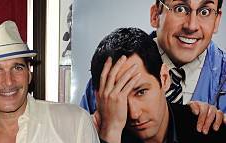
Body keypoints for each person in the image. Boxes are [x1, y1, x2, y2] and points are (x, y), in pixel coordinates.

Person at [91, 27, 225, 143]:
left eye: (141, 92)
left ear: (164, 78)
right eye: (118, 99)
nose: (134, 114)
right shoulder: (89, 141)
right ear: (100, 99)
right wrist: (109, 136)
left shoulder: (208, 128)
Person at [81, 0, 226, 130]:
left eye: (205, 11)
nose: (192, 26)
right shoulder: (110, 72)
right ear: (155, 15)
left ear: (217, 20)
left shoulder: (223, 78)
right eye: (180, 9)